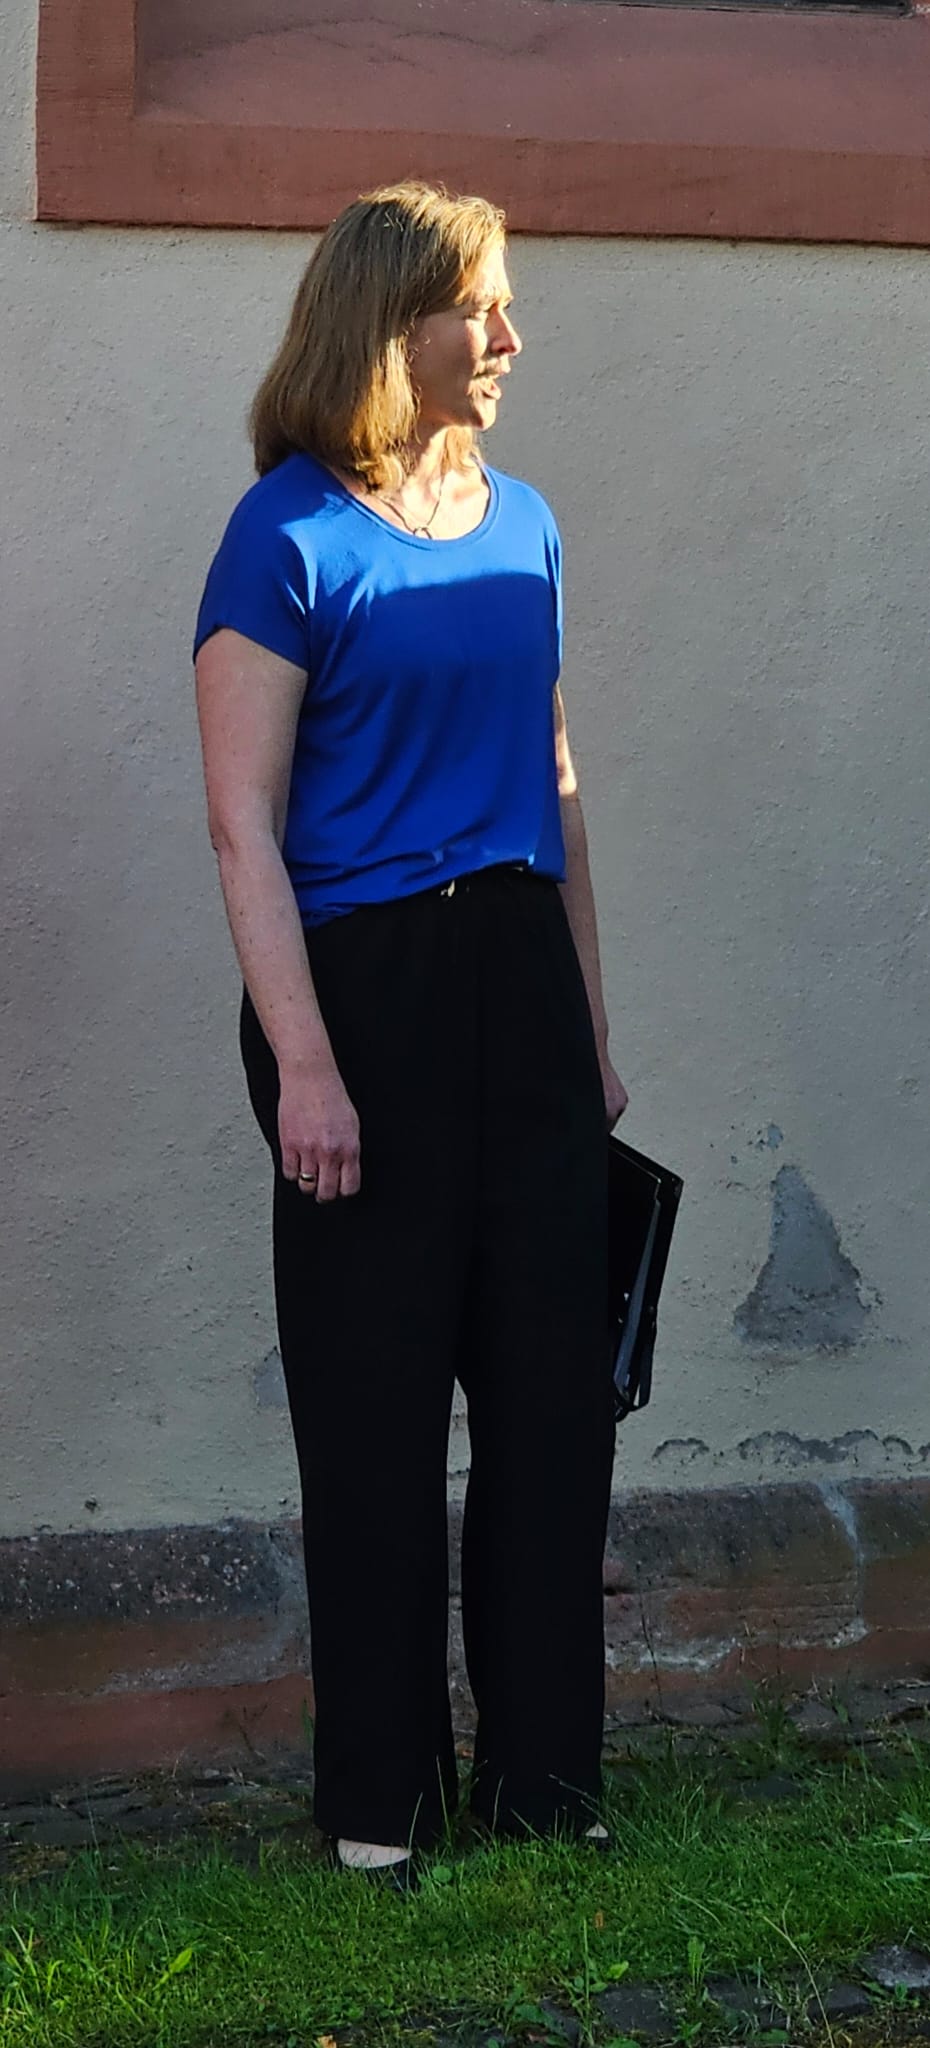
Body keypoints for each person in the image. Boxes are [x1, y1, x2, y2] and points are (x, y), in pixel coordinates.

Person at [194, 180, 628, 1892]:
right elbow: (243, 827)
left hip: (519, 977)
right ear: (395, 323)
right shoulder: (285, 538)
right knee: (372, 1410)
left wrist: (590, 1025)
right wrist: (303, 1064)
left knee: (551, 1403)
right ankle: (379, 1800)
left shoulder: (527, 527)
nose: (510, 336)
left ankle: (544, 1781)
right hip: (360, 997)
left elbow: (559, 789)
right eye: (482, 305)